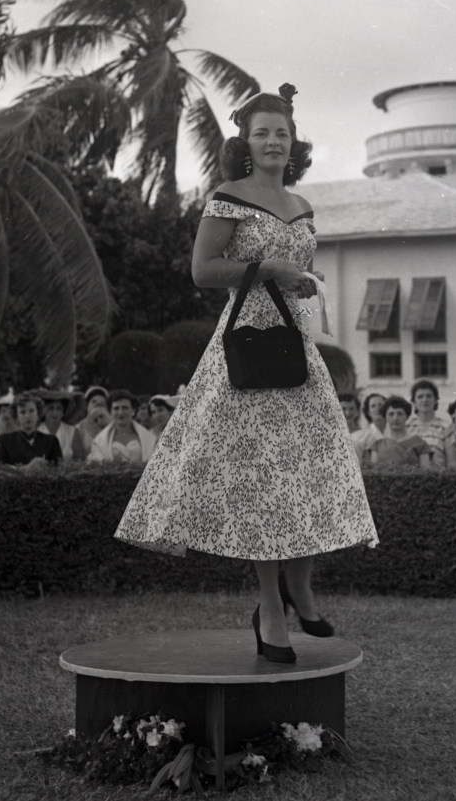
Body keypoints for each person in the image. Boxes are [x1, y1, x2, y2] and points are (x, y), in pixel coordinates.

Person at [114, 84, 378, 664]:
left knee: (317, 471)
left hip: (295, 346)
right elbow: (203, 271)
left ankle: (300, 585)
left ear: (294, 142)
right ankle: (271, 611)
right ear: (246, 142)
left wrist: (303, 283)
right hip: (245, 348)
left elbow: (299, 273)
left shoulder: (303, 205)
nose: (273, 142)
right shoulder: (228, 197)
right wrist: (272, 268)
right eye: (262, 133)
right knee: (262, 485)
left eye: (281, 133)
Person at [0, 393, 62, 467]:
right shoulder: (4, 441)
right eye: (22, 412)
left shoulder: (51, 441)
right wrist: (26, 468)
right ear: (17, 417)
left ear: (38, 414)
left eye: (31, 411)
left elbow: (59, 470)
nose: (28, 416)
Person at [88, 390, 157, 465]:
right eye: (116, 408)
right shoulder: (99, 441)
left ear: (133, 410)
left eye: (125, 408)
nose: (120, 412)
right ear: (110, 411)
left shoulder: (149, 438)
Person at [369, 395, 432, 467]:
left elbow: (426, 474)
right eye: (391, 414)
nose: (395, 418)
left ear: (407, 416)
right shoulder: (377, 445)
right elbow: (374, 474)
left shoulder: (420, 444)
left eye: (400, 414)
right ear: (385, 417)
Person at [406, 379, 452, 466]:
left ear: (435, 400)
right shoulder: (407, 425)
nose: (425, 400)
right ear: (414, 402)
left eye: (429, 396)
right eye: (420, 397)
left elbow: (452, 462)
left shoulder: (446, 427)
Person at [36, 390, 85, 462]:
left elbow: (80, 461)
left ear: (63, 412)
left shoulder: (73, 432)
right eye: (51, 408)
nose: (55, 413)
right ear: (44, 410)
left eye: (59, 409)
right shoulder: (36, 431)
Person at [75, 386, 111, 456]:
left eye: (102, 403)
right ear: (86, 406)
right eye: (93, 401)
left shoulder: (111, 426)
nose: (97, 405)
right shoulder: (78, 428)